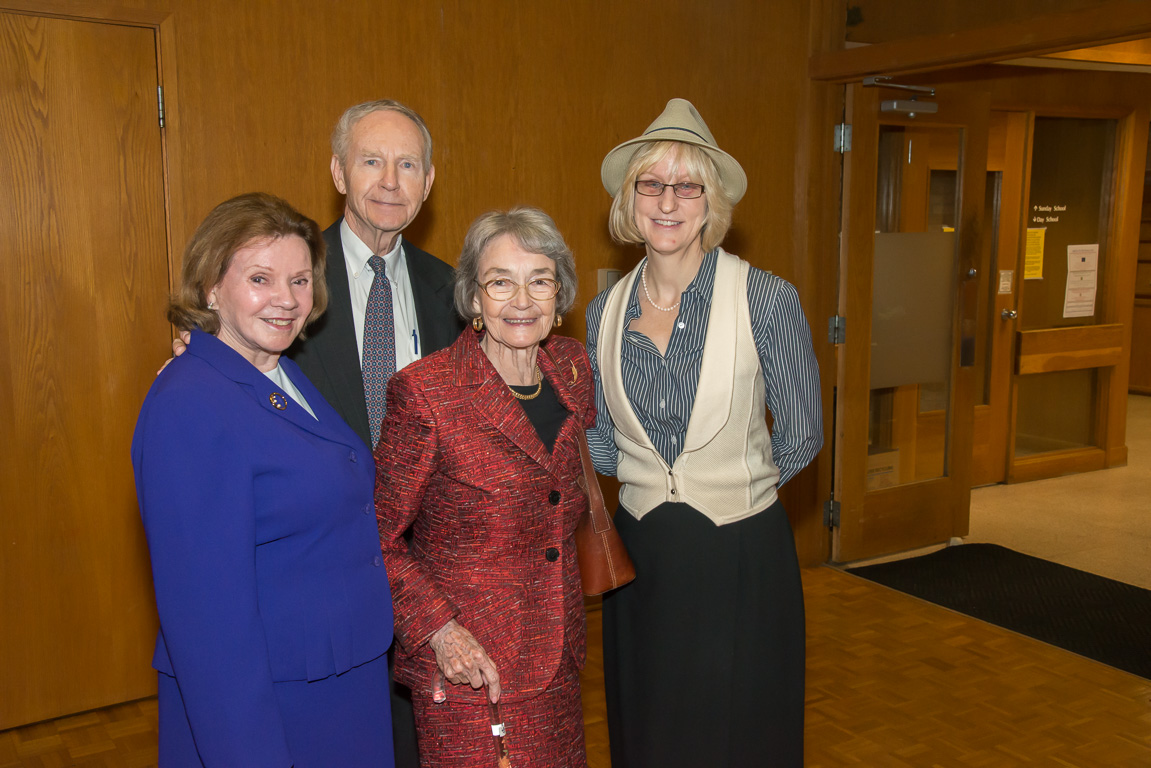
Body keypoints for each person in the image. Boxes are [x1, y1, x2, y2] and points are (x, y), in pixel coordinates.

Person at [169, 100, 462, 766]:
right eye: (370, 161)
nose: (390, 180)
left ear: (429, 179)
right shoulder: (290, 279)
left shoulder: (451, 289)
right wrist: (198, 349)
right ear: (337, 170)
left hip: (423, 575)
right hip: (313, 595)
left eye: (407, 164)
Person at [586, 98, 823, 767]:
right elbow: (600, 436)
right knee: (651, 733)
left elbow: (803, 431)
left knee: (740, 736)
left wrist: (736, 482)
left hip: (740, 557)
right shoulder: (602, 310)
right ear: (629, 200)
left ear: (709, 201)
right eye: (650, 184)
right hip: (641, 561)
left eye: (686, 185)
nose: (667, 201)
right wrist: (640, 481)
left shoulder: (766, 298)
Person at [132, 192, 395, 767]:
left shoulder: (284, 371)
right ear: (210, 286)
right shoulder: (189, 404)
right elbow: (207, 623)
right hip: (268, 707)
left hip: (338, 684)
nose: (285, 300)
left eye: (300, 281)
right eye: (260, 278)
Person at [374, 207, 593, 767]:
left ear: (559, 296)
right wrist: (440, 632)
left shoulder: (571, 369)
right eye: (501, 282)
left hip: (559, 655)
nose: (522, 300)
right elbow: (376, 535)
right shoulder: (426, 394)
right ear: (473, 299)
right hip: (472, 668)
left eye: (539, 280)